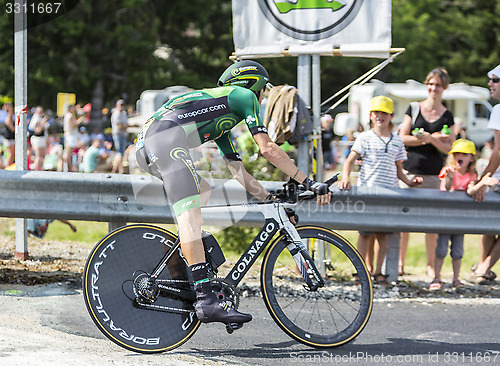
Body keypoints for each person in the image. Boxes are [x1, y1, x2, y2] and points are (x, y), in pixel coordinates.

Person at [135, 60, 331, 325]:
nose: (261, 98)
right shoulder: (243, 95)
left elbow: (240, 174)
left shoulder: (221, 120)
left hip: (151, 144)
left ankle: (185, 267)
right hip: (165, 139)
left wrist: (270, 200)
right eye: (263, 91)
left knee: (201, 193)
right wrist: (309, 182)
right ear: (256, 85)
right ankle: (206, 299)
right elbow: (267, 149)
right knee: (191, 218)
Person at [337, 96, 422, 285]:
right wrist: (345, 177)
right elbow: (350, 160)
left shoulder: (397, 141)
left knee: (382, 234)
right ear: (370, 115)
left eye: (384, 113)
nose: (380, 116)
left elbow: (399, 169)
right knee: (365, 233)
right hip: (368, 193)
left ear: (391, 116)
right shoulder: (364, 137)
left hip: (387, 194)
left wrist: (409, 181)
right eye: (376, 112)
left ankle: (378, 271)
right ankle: (362, 270)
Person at [398, 67, 456, 278]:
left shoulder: (448, 115)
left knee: (430, 224)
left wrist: (429, 138)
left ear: (445, 88)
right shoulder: (414, 108)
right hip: (410, 171)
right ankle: (400, 264)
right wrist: (431, 137)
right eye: (431, 84)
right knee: (404, 220)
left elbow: (450, 147)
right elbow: (402, 137)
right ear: (426, 85)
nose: (434, 88)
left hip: (434, 174)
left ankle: (431, 265)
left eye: (438, 85)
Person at [429, 139, 479, 290]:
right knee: (441, 249)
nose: (459, 156)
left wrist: (482, 184)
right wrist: (450, 178)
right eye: (457, 153)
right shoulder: (448, 170)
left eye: (464, 154)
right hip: (445, 216)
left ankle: (455, 278)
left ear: (471, 158)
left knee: (457, 251)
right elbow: (447, 189)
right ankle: (437, 277)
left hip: (460, 218)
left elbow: (470, 191)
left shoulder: (472, 174)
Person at [469, 64, 500, 283]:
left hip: (497, 178)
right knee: (491, 225)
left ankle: (483, 267)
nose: (490, 84)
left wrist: (481, 179)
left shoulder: (498, 110)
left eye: (495, 80)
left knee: (491, 225)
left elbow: (498, 150)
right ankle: (483, 269)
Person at [61, 104, 85, 172]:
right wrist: (79, 121)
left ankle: (69, 167)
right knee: (69, 152)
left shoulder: (67, 115)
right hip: (70, 136)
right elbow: (73, 125)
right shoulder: (70, 116)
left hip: (69, 135)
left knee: (69, 152)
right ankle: (69, 168)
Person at [110, 99, 129, 174]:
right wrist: (129, 126)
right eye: (120, 105)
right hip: (118, 134)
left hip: (123, 134)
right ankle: (121, 170)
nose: (122, 106)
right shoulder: (116, 114)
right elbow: (120, 126)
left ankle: (114, 169)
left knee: (120, 152)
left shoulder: (124, 113)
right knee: (120, 152)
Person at [28, 106, 49, 171]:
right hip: (37, 139)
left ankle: (39, 169)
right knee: (38, 156)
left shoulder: (39, 118)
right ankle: (36, 170)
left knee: (42, 156)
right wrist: (43, 123)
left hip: (41, 139)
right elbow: (37, 131)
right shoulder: (36, 119)